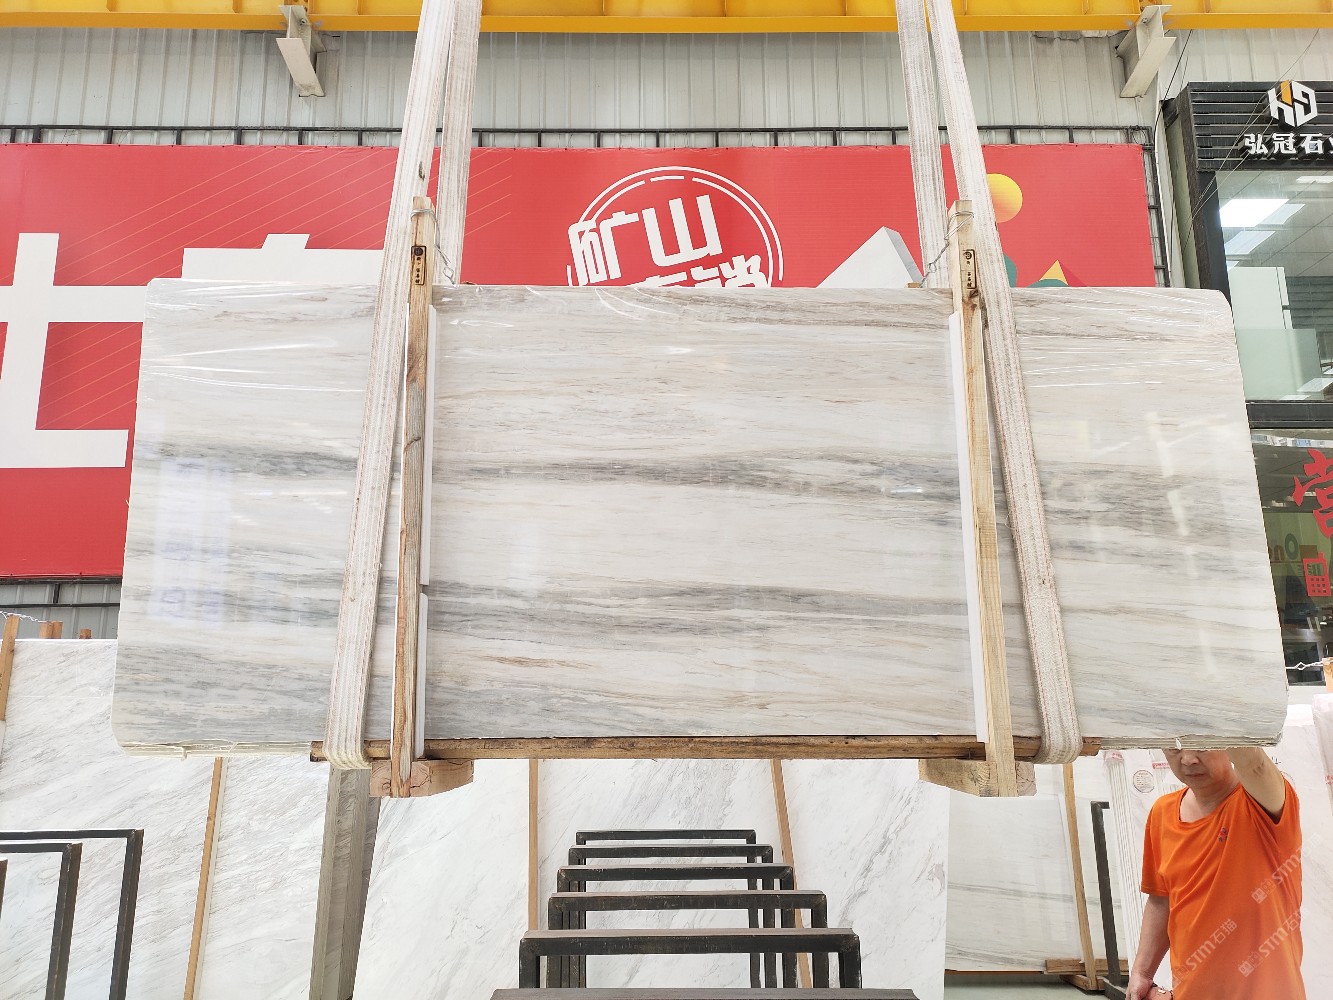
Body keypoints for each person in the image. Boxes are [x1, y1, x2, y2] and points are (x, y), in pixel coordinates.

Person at [1127, 745, 1303, 1000]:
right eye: (1175, 748)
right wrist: (1142, 972)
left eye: (1203, 745)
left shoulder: (1262, 803)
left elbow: (1256, 766)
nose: (1188, 759)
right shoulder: (1162, 813)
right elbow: (1161, 900)